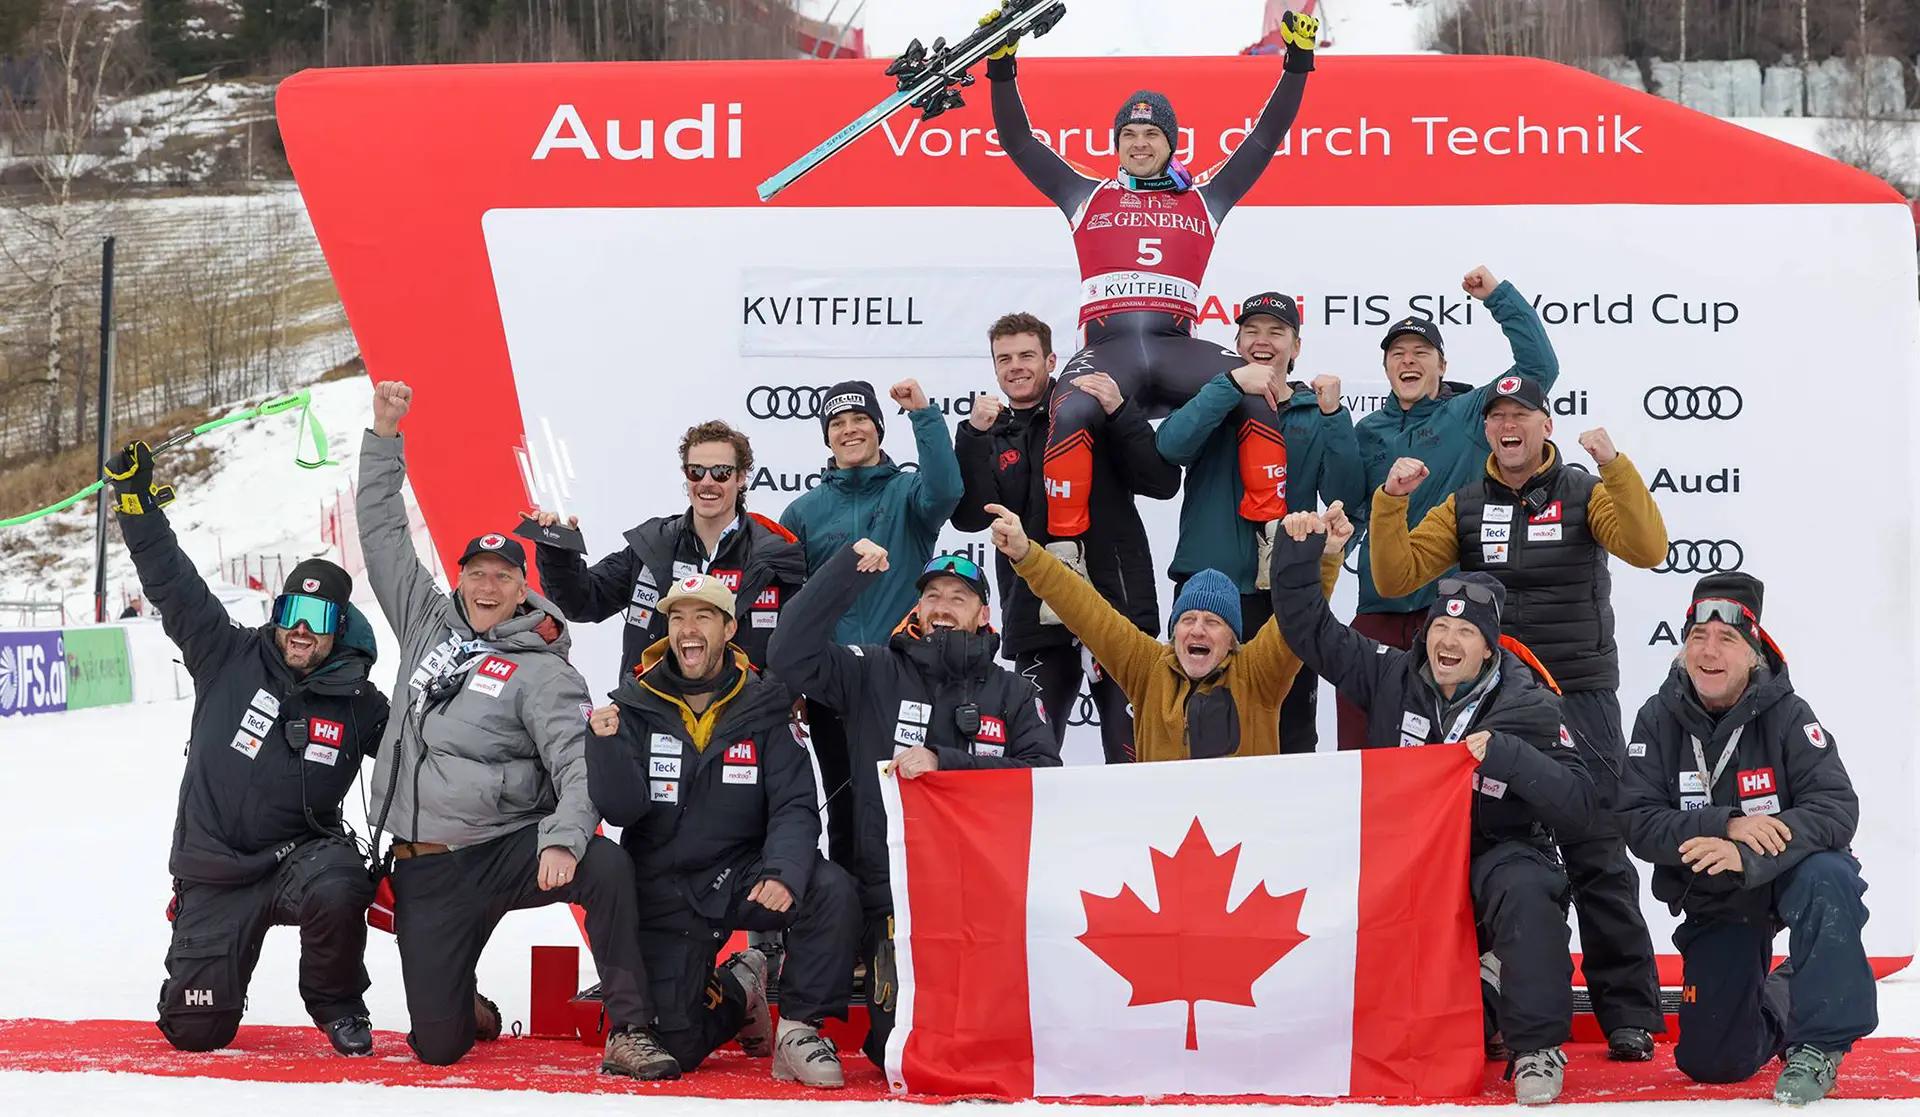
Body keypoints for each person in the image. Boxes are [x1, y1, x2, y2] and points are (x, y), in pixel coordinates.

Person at [357, 380, 669, 1078]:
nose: (488, 585)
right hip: (426, 859)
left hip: (505, 846)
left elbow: (575, 762)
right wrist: (384, 435)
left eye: (503, 574)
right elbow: (380, 537)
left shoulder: (542, 666)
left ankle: (633, 1024)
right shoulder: (426, 621)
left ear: (522, 584)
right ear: (460, 576)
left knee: (604, 862)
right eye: (476, 572)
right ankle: (462, 997)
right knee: (439, 1045)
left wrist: (563, 837)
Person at [1366, 382, 1667, 1060]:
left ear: (1543, 424)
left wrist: (1616, 466)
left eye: (1519, 416)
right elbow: (1393, 575)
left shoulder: (1586, 490)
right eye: (1496, 416)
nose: (1507, 426)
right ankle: (1498, 994)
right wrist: (1390, 502)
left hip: (1580, 694)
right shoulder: (1464, 504)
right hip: (1498, 703)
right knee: (1491, 849)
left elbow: (1649, 548)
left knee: (1597, 848)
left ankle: (1628, 1010)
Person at [1269, 507, 1595, 1106]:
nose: (1449, 641)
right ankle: (1462, 994)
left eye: (1466, 632)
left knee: (1528, 889)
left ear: (1489, 649)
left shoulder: (1531, 706)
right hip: (1408, 864)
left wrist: (1508, 757)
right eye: (1442, 628)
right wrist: (1299, 555)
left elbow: (1580, 805)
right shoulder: (1390, 676)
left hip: (1494, 854)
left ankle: (1536, 1046)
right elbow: (1309, 630)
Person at [985, 6, 1320, 544]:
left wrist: (1297, 63)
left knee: (1258, 392)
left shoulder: (1205, 197)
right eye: (1129, 134)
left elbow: (1264, 138)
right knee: (1066, 412)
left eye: (1151, 134)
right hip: (1108, 351)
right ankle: (1065, 548)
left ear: (1171, 143)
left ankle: (1267, 536)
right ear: (1117, 143)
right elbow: (1019, 141)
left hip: (1174, 349)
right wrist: (1002, 68)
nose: (1139, 143)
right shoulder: (1085, 195)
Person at [106, 440, 390, 1057]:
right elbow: (171, 581)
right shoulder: (224, 652)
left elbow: (419, 760)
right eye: (292, 608)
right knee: (194, 1032)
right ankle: (203, 968)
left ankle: (338, 1004)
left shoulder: (358, 702)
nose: (301, 627)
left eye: (319, 614)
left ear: (339, 626)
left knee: (342, 881)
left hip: (300, 860)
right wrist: (135, 507)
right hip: (215, 870)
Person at [767, 540, 1060, 1067]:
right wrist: (845, 574)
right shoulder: (874, 671)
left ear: (984, 614)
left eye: (959, 598)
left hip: (986, 899)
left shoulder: (1013, 692)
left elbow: (1045, 778)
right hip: (896, 900)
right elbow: (788, 653)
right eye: (934, 596)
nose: (944, 606)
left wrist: (948, 764)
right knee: (901, 1048)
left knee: (990, 1045)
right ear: (918, 609)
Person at [586, 572, 861, 1088]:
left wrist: (782, 872)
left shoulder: (766, 703)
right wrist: (603, 748)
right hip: (664, 887)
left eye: (703, 616)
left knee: (828, 888)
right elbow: (621, 812)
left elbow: (796, 807)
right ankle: (741, 986)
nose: (689, 629)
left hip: (742, 872)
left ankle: (799, 1030)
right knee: (677, 1049)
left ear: (730, 628)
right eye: (678, 618)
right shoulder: (635, 703)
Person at [1618, 574, 1874, 1106]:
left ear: (1753, 652)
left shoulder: (1788, 713)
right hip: (1717, 895)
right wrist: (1724, 823)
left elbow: (1836, 808)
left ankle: (1820, 1045)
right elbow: (1637, 820)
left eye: (1726, 639)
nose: (1709, 652)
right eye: (1697, 638)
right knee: (1712, 1063)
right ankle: (1783, 993)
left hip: (1787, 878)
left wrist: (1747, 851)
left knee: (1828, 875)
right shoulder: (1657, 717)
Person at [1343, 266, 1561, 750]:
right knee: (1363, 743)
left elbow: (1539, 369)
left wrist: (1499, 296)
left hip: (1444, 613)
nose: (1409, 361)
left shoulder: (1463, 413)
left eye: (1422, 353)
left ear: (1442, 366)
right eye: (1398, 354)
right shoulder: (1366, 431)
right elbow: (1355, 506)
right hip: (1376, 606)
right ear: (1385, 370)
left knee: (1440, 750)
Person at [952, 312, 1181, 762]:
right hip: (1036, 612)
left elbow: (1162, 483)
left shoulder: (1092, 409)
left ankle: (1141, 835)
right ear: (994, 368)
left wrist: (1120, 413)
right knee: (1030, 755)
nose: (1015, 366)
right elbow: (968, 518)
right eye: (1004, 359)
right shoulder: (991, 431)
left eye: (1026, 355)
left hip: (1114, 604)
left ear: (1051, 359)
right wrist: (973, 436)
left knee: (1132, 754)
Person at [1155, 291, 1362, 754]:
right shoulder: (1211, 396)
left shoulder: (1313, 410)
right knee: (1197, 724)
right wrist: (1229, 387)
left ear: (1296, 346)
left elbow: (1347, 492)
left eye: (1276, 331)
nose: (1263, 341)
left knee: (1290, 727)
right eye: (1252, 331)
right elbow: (1170, 447)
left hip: (1287, 587)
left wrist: (1333, 415)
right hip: (1209, 586)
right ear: (1237, 340)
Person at [983, 500, 1340, 762]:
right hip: (1163, 847)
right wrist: (1027, 555)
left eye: (1213, 622)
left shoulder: (1259, 672)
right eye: (1187, 620)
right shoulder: (1148, 668)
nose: (1197, 630)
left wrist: (1327, 558)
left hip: (1243, 846)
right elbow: (1083, 608)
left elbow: (1300, 616)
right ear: (1173, 630)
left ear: (1232, 639)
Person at [779, 378, 962, 870]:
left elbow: (948, 489)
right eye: (836, 423)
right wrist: (791, 684)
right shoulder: (802, 511)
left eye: (859, 419)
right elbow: (790, 606)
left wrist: (923, 412)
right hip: (831, 682)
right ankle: (853, 938)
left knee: (910, 802)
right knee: (844, 807)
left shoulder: (908, 493)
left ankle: (905, 926)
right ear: (826, 437)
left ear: (880, 428)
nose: (849, 430)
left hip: (903, 678)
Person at [532, 419, 806, 678]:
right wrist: (557, 548)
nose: (707, 482)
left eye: (721, 472)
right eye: (696, 471)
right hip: (653, 714)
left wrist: (775, 698)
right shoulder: (654, 543)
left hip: (741, 718)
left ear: (742, 477)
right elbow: (581, 602)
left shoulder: (773, 556)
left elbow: (798, 646)